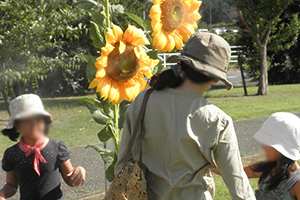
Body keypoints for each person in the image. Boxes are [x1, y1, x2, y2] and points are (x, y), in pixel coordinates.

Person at [115, 32, 255, 199]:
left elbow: (121, 166)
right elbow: (238, 187)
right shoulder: (217, 120)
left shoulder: (142, 101)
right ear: (216, 79)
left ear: (181, 63)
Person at [0, 94, 86, 200]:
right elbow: (11, 185)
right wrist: (2, 193)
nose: (33, 124)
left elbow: (70, 180)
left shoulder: (57, 147)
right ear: (17, 125)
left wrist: (79, 170)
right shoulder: (12, 154)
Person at [244, 112, 300, 199]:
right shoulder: (266, 169)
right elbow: (236, 172)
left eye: (267, 142)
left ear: (281, 149)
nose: (262, 146)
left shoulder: (297, 183)